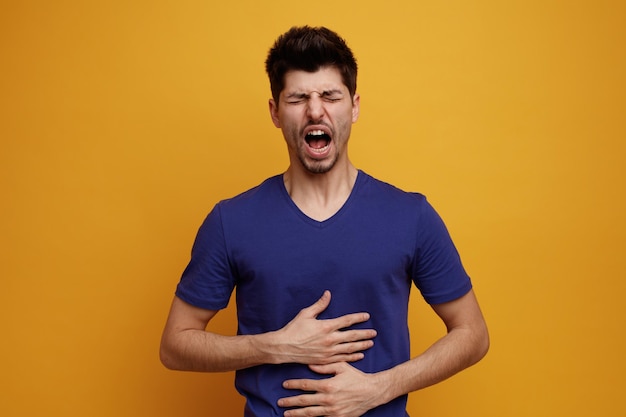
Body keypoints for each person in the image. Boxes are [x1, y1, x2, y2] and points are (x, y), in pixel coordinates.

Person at [160, 26, 489, 417]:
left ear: (353, 106)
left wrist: (380, 388)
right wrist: (276, 346)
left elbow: (473, 334)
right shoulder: (231, 221)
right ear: (276, 113)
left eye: (330, 96)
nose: (316, 110)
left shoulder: (410, 215)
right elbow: (174, 345)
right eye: (298, 98)